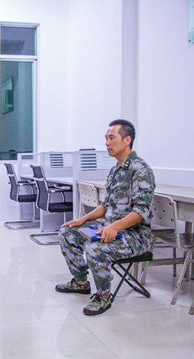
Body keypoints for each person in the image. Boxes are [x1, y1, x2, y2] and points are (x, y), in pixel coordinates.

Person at [55, 119, 155, 316]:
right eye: (106, 138)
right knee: (67, 232)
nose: (107, 143)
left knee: (95, 247)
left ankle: (104, 296)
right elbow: (106, 205)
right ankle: (80, 282)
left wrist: (115, 227)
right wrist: (83, 219)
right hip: (112, 229)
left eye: (111, 138)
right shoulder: (115, 170)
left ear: (127, 140)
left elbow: (141, 212)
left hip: (135, 237)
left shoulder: (140, 170)